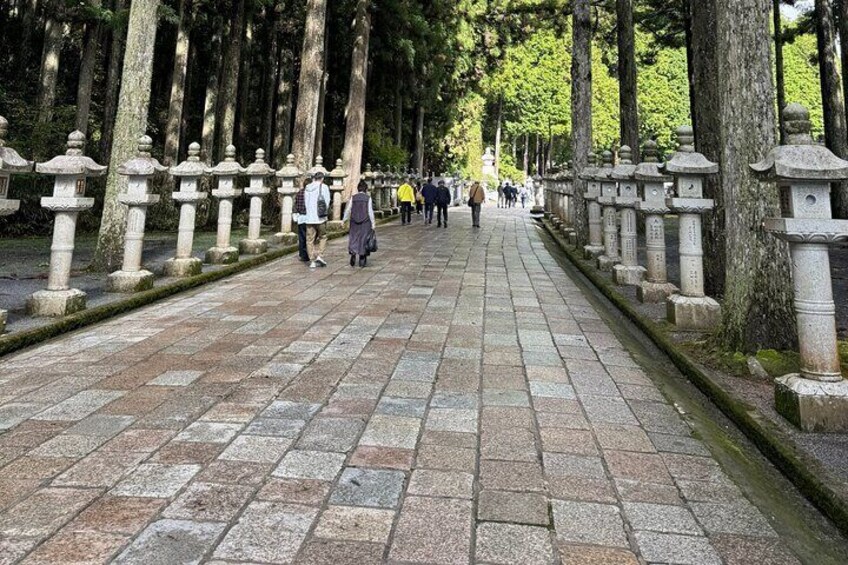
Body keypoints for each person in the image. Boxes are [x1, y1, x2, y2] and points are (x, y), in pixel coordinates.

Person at [343, 179, 376, 267]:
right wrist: (373, 223)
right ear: (366, 189)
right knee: (364, 239)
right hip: (365, 222)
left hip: (354, 221)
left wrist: (344, 220)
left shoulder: (353, 198)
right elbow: (370, 212)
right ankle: (362, 257)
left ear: (358, 189)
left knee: (353, 238)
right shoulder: (368, 198)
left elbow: (348, 210)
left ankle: (353, 253)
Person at [303, 170, 331, 269]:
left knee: (309, 239)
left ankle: (312, 260)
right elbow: (327, 202)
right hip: (320, 217)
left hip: (309, 217)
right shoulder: (324, 187)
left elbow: (306, 202)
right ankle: (320, 255)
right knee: (323, 236)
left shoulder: (307, 187)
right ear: (322, 178)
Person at [293, 179, 310, 262]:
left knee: (302, 237)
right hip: (308, 217)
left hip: (300, 217)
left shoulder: (299, 193)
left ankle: (302, 254)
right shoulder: (310, 193)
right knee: (309, 237)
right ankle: (307, 253)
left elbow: (296, 204)